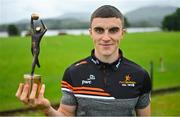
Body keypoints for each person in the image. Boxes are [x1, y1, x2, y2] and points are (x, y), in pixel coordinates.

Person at [16, 5, 151, 116]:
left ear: (122, 33)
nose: (105, 37)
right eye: (99, 30)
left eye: (113, 30)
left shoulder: (140, 75)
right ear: (90, 32)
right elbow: (66, 114)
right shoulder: (73, 72)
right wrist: (47, 109)